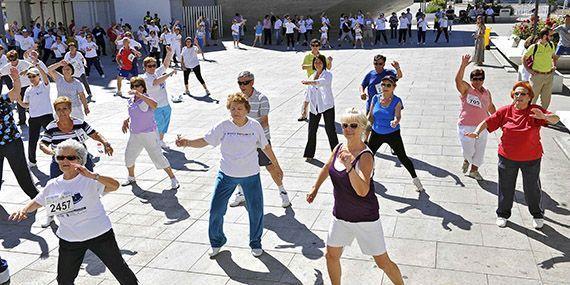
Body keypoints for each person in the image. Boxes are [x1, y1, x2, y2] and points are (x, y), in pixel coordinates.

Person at [9, 139, 138, 285]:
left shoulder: (89, 179)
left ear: (80, 159)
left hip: (100, 235)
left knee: (121, 272)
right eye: (60, 157)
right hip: (70, 239)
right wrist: (24, 209)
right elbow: (39, 201)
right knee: (64, 280)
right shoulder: (53, 184)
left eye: (70, 157)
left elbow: (115, 186)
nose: (64, 160)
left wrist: (94, 175)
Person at [175, 93, 284, 258]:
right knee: (216, 210)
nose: (236, 111)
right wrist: (187, 142)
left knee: (256, 211)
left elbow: (266, 147)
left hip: (251, 176)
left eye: (240, 108)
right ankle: (217, 242)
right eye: (232, 108)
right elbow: (205, 140)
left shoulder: (255, 126)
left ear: (247, 109)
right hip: (226, 175)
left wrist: (276, 166)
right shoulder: (224, 126)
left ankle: (255, 243)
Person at [306, 108, 404, 285]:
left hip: (365, 218)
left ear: (362, 128)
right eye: (344, 125)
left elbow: (362, 191)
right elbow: (327, 167)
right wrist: (315, 188)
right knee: (331, 256)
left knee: (383, 263)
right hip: (341, 216)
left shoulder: (365, 156)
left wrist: (350, 166)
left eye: (353, 125)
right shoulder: (338, 148)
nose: (348, 129)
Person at [465, 82, 560, 229]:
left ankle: (537, 214)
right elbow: (487, 121)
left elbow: (556, 119)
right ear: (512, 96)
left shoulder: (535, 110)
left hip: (531, 158)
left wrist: (545, 117)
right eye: (516, 93)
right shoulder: (505, 111)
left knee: (532, 188)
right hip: (507, 157)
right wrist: (477, 132)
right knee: (506, 186)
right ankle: (502, 214)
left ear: (529, 97)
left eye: (523, 94)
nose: (519, 96)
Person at [228, 71, 291, 208]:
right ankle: (240, 194)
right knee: (240, 167)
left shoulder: (262, 98)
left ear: (252, 82)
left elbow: (264, 121)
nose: (242, 86)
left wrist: (261, 140)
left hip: (260, 140)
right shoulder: (238, 98)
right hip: (243, 141)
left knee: (271, 167)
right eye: (240, 83)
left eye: (245, 82)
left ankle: (283, 193)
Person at [120, 77, 179, 189]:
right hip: (135, 134)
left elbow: (155, 105)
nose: (135, 88)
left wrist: (141, 95)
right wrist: (126, 120)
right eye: (133, 86)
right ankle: (131, 177)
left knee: (158, 157)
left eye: (138, 85)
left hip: (148, 134)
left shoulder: (146, 98)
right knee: (129, 156)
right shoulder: (131, 100)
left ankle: (173, 178)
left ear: (143, 87)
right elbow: (134, 112)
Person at [367, 75, 424, 191]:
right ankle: (369, 176)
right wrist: (364, 126)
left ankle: (416, 180)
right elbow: (370, 116)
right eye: (383, 84)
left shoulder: (397, 101)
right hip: (376, 133)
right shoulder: (375, 98)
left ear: (394, 87)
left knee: (402, 157)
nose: (385, 87)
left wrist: (395, 121)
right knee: (368, 155)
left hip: (392, 133)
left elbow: (398, 116)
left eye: (389, 85)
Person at [39, 96, 113, 179]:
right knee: (55, 186)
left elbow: (95, 134)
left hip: (80, 159)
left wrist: (105, 143)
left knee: (89, 182)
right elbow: (42, 144)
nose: (62, 112)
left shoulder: (79, 123)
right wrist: (51, 152)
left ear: (70, 110)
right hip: (60, 161)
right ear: (55, 111)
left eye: (64, 108)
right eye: (58, 109)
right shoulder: (51, 127)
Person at [455, 55, 496, 180]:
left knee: (480, 151)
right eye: (474, 78)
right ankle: (467, 159)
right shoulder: (467, 90)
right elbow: (458, 81)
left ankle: (474, 170)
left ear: (483, 80)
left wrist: (500, 120)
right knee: (468, 150)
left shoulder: (487, 92)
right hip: (466, 125)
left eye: (480, 78)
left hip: (483, 126)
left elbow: (491, 108)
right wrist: (463, 65)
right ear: (471, 79)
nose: (477, 81)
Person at [0, 67, 38, 199]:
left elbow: (16, 93)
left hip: (12, 143)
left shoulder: (3, 99)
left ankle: (35, 197)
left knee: (21, 172)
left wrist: (15, 78)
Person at [301, 54, 339, 160]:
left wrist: (310, 82)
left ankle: (336, 154)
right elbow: (308, 93)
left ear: (324, 64)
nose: (317, 64)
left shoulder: (328, 75)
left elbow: (321, 83)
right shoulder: (311, 75)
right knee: (312, 130)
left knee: (330, 130)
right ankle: (309, 154)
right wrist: (304, 108)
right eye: (316, 62)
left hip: (327, 106)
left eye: (320, 62)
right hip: (314, 107)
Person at [15, 65, 54, 168]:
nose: (32, 79)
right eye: (30, 77)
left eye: (34, 76)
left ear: (38, 76)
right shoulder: (28, 90)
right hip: (34, 118)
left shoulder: (44, 85)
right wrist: (18, 100)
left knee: (55, 137)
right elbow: (26, 104)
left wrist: (37, 66)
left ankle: (59, 156)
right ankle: (32, 161)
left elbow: (45, 76)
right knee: (32, 141)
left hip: (47, 116)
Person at [141, 46, 177, 149]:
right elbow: (156, 82)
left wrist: (169, 53)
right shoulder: (145, 78)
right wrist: (169, 74)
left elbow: (165, 65)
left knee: (165, 123)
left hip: (165, 104)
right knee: (159, 123)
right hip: (155, 106)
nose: (152, 68)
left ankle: (160, 140)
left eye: (154, 65)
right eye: (149, 66)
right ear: (145, 67)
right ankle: (156, 141)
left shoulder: (156, 72)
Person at [522, 28, 558, 109]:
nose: (552, 37)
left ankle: (542, 117)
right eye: (550, 35)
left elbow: (554, 56)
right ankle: (529, 116)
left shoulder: (551, 45)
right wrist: (529, 70)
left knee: (546, 99)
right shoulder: (534, 47)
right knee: (532, 98)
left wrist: (554, 65)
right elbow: (524, 58)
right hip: (537, 76)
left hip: (549, 76)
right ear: (545, 36)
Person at [299, 39, 333, 120]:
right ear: (310, 46)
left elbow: (328, 67)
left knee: (319, 98)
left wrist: (330, 62)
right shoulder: (308, 56)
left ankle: (321, 112)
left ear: (319, 46)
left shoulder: (322, 57)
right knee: (306, 98)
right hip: (310, 80)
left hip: (319, 81)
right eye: (313, 45)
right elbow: (303, 67)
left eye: (317, 45)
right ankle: (304, 114)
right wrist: (315, 64)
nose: (315, 47)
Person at [0, 50, 32, 125]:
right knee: (19, 105)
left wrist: (26, 71)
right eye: (10, 60)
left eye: (14, 59)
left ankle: (34, 120)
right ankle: (22, 121)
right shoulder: (8, 66)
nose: (12, 62)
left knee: (31, 104)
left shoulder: (23, 63)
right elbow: (0, 73)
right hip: (18, 88)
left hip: (28, 86)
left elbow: (33, 66)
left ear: (17, 58)